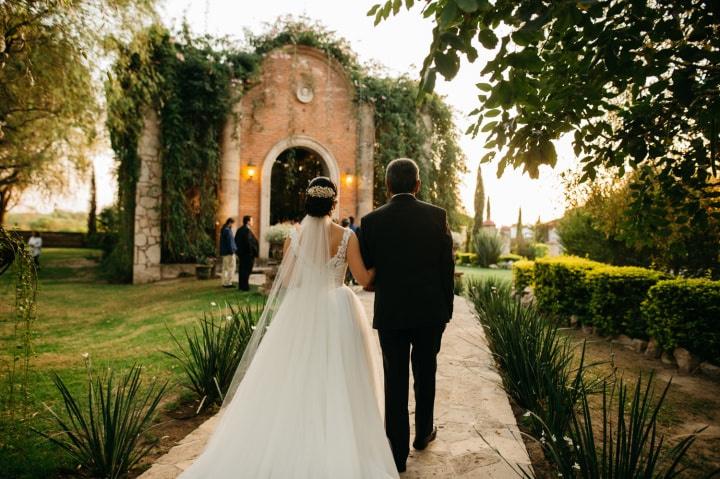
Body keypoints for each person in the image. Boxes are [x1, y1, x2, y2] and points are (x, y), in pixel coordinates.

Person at [180, 177, 398, 478]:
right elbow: (363, 279)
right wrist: (385, 263)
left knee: (295, 377)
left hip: (300, 312)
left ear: (307, 202)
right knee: (340, 378)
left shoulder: (293, 237)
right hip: (338, 310)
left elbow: (291, 280)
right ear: (333, 203)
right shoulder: (346, 236)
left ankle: (293, 441)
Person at [359, 158, 454, 473]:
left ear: (387, 186)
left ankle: (396, 453)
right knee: (426, 373)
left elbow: (369, 273)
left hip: (392, 314)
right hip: (430, 313)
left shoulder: (371, 222)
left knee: (395, 382)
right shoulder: (437, 217)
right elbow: (446, 268)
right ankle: (423, 433)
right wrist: (446, 310)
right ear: (418, 185)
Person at [234, 215, 258, 291]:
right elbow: (249, 243)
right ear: (248, 222)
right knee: (246, 270)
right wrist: (252, 253)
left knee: (242, 269)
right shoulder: (246, 231)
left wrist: (238, 252)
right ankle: (245, 286)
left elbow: (236, 241)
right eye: (251, 220)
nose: (252, 222)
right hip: (247, 255)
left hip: (242, 254)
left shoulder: (239, 230)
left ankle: (241, 286)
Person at [219, 218, 237, 288]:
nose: (232, 225)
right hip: (229, 252)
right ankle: (228, 282)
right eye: (232, 223)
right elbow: (230, 242)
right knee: (231, 267)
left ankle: (224, 282)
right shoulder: (227, 231)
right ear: (229, 223)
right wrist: (232, 251)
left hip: (225, 252)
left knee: (225, 268)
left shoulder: (224, 229)